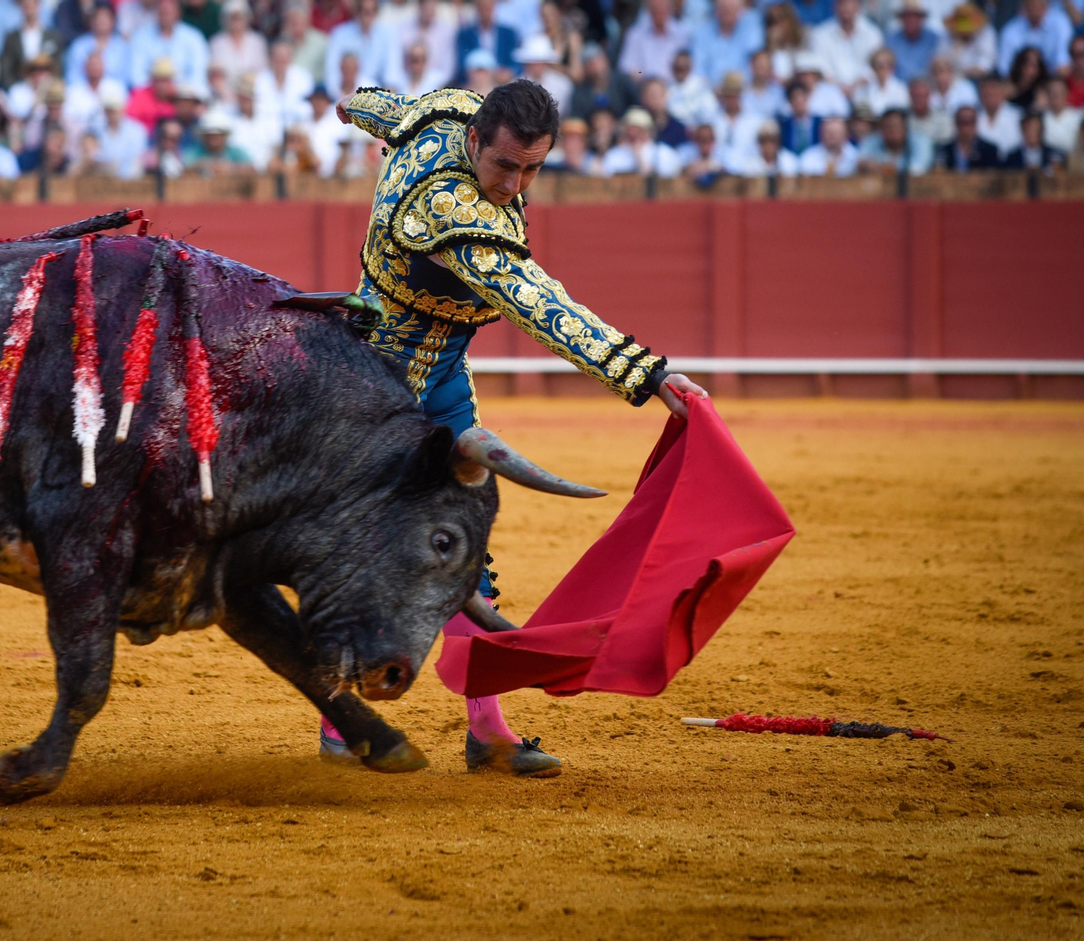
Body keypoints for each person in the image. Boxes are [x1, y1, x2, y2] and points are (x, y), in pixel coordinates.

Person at [331, 80, 706, 776]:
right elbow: (535, 302)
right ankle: (345, 720)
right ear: (476, 140)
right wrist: (647, 374)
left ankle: (482, 728)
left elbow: (379, 106)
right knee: (390, 553)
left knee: (459, 549)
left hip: (439, 378)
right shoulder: (453, 213)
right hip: (377, 390)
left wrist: (349, 105)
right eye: (505, 166)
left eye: (532, 169)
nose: (515, 184)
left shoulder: (443, 112)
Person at [129, 0, 208, 93]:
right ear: (156, 12)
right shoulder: (141, 36)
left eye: (168, 12)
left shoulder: (193, 37)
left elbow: (198, 75)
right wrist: (159, 90)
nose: (165, 16)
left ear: (178, 12)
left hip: (184, 95)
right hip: (151, 94)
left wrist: (178, 90)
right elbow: (136, 75)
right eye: (162, 12)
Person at [808, 0, 881, 96]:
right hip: (831, 91)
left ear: (858, 6)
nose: (846, 7)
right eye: (842, 3)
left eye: (850, 3)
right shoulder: (820, 34)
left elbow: (873, 67)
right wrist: (839, 88)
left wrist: (854, 87)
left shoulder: (873, 33)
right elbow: (821, 67)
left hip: (864, 89)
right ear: (834, 7)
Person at [690, 0, 763, 86]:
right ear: (716, 10)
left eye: (731, 8)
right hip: (709, 91)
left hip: (743, 89)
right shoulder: (701, 33)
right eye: (724, 8)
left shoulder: (750, 30)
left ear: (740, 11)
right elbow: (698, 69)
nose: (727, 12)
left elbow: (755, 64)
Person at [619, 0, 688, 82]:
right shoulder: (635, 34)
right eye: (655, 8)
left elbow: (688, 66)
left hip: (675, 87)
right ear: (648, 9)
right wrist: (642, 73)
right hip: (644, 86)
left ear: (670, 8)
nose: (658, 11)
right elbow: (628, 68)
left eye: (662, 7)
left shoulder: (683, 34)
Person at [996, 0, 1070, 76]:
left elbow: (1063, 64)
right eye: (1030, 4)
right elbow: (1004, 68)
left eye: (1037, 4)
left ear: (1045, 6)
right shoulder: (1011, 29)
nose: (1033, 8)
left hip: (1050, 78)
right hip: (1019, 80)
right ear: (1024, 7)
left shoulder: (1060, 23)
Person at [453, 0, 515, 84]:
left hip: (502, 82)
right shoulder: (465, 34)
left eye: (488, 8)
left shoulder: (508, 33)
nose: (486, 12)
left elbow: (514, 60)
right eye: (483, 8)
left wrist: (508, 73)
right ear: (477, 9)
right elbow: (462, 63)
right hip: (475, 82)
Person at [856, 105, 932, 173]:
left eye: (895, 126)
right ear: (881, 129)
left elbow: (919, 169)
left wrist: (886, 168)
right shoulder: (871, 141)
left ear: (905, 128)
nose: (892, 130)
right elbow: (861, 163)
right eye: (887, 126)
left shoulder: (920, 141)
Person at [884, 0, 937, 83]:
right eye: (907, 16)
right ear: (901, 18)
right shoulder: (891, 39)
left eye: (915, 16)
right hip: (899, 89)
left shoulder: (933, 39)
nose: (911, 20)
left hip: (927, 90)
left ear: (921, 18)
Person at [729, 118, 800, 175]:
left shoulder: (789, 162)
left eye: (772, 141)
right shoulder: (749, 166)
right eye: (764, 141)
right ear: (759, 143)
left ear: (778, 142)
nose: (768, 145)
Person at [937, 104, 999, 170]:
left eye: (971, 122)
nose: (966, 127)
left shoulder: (989, 151)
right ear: (956, 123)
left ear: (976, 123)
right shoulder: (944, 151)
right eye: (963, 122)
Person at [974, 73, 1020, 157]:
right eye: (985, 88)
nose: (989, 91)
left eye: (993, 87)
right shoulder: (973, 116)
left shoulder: (1017, 115)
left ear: (1003, 90)